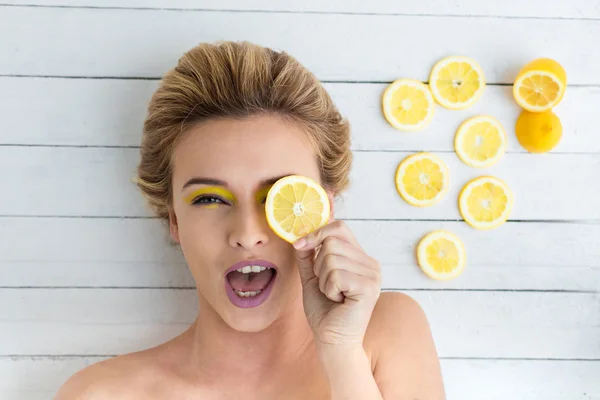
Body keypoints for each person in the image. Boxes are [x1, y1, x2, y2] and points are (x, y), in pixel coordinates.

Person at [55, 40, 444, 399]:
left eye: (276, 196)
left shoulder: (384, 335)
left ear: (320, 208)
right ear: (174, 220)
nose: (246, 234)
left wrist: (341, 352)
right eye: (209, 198)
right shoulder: (101, 394)